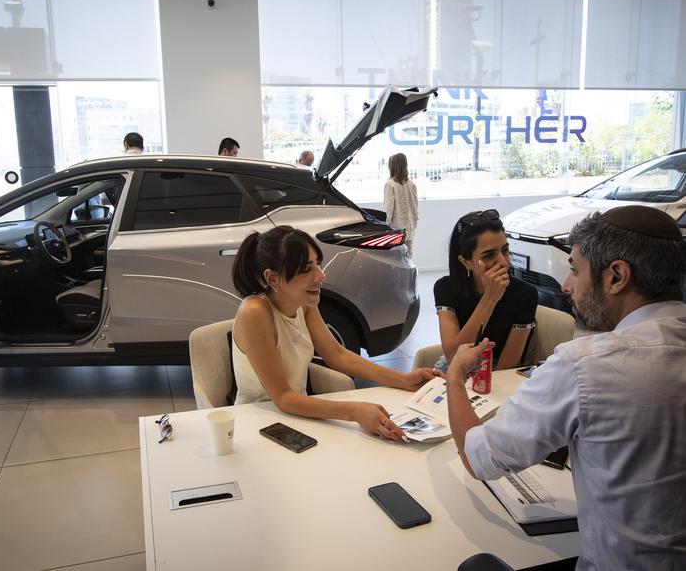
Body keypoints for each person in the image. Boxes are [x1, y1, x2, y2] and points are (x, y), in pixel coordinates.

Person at [445, 206, 686, 570]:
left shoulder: (586, 365)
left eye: (575, 269)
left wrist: (454, 378)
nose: (565, 285)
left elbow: (479, 458)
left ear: (617, 276)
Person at [231, 226, 441, 440]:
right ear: (273, 279)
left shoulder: (304, 303)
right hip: (258, 421)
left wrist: (404, 379)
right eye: (306, 270)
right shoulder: (255, 312)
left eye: (318, 264)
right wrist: (354, 411)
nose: (320, 276)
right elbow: (283, 397)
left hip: (298, 414)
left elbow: (337, 355)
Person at [434, 209, 537, 370]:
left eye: (505, 250)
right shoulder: (446, 288)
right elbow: (453, 357)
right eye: (489, 255)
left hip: (499, 375)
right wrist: (489, 299)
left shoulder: (524, 294)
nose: (503, 262)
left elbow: (508, 366)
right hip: (456, 369)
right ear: (466, 262)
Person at [382, 153, 418, 255]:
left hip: (396, 228)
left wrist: (387, 224)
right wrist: (414, 222)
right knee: (408, 255)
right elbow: (415, 206)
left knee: (395, 257)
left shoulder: (390, 184)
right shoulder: (411, 184)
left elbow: (389, 208)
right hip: (409, 226)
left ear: (392, 166)